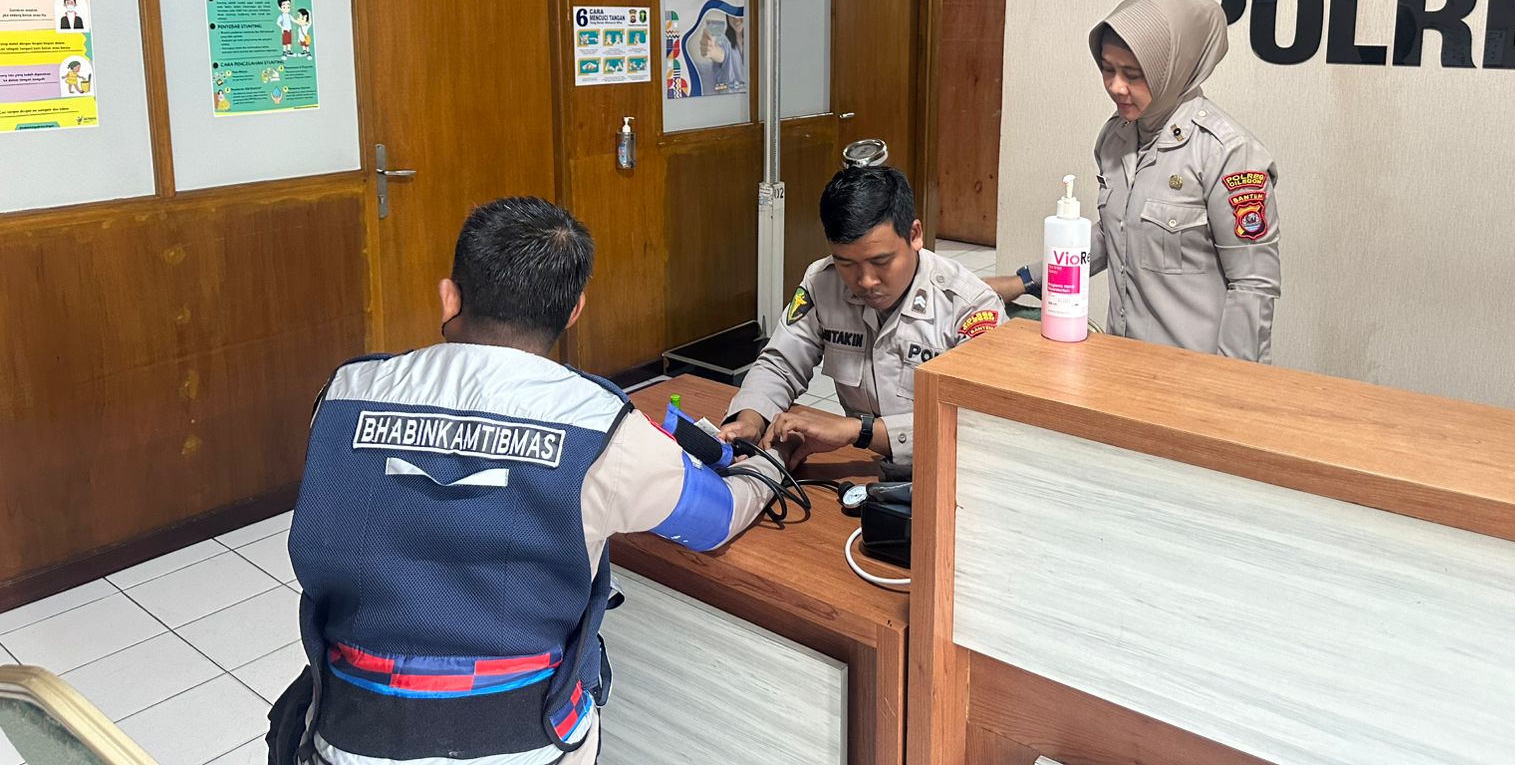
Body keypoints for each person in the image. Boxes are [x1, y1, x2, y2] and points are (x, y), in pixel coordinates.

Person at [272, 197, 782, 765]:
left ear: (450, 297)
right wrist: (769, 462)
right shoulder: (600, 426)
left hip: (347, 734)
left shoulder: (344, 393)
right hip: (523, 741)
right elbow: (715, 518)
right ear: (574, 311)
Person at [988, 0, 1281, 362]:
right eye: (1107, 69)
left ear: (1173, 69)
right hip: (1124, 360)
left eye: (1133, 74)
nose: (1116, 86)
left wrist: (1231, 383)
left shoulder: (1228, 154)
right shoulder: (1117, 136)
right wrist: (1023, 282)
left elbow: (1253, 285)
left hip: (1196, 371)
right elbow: (1116, 231)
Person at [720, 165, 1007, 478]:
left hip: (957, 473)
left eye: (881, 261)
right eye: (846, 263)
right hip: (869, 468)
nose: (866, 280)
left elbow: (977, 423)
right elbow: (781, 363)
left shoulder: (969, 306)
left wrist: (858, 431)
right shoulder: (823, 283)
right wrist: (750, 418)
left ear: (914, 235)